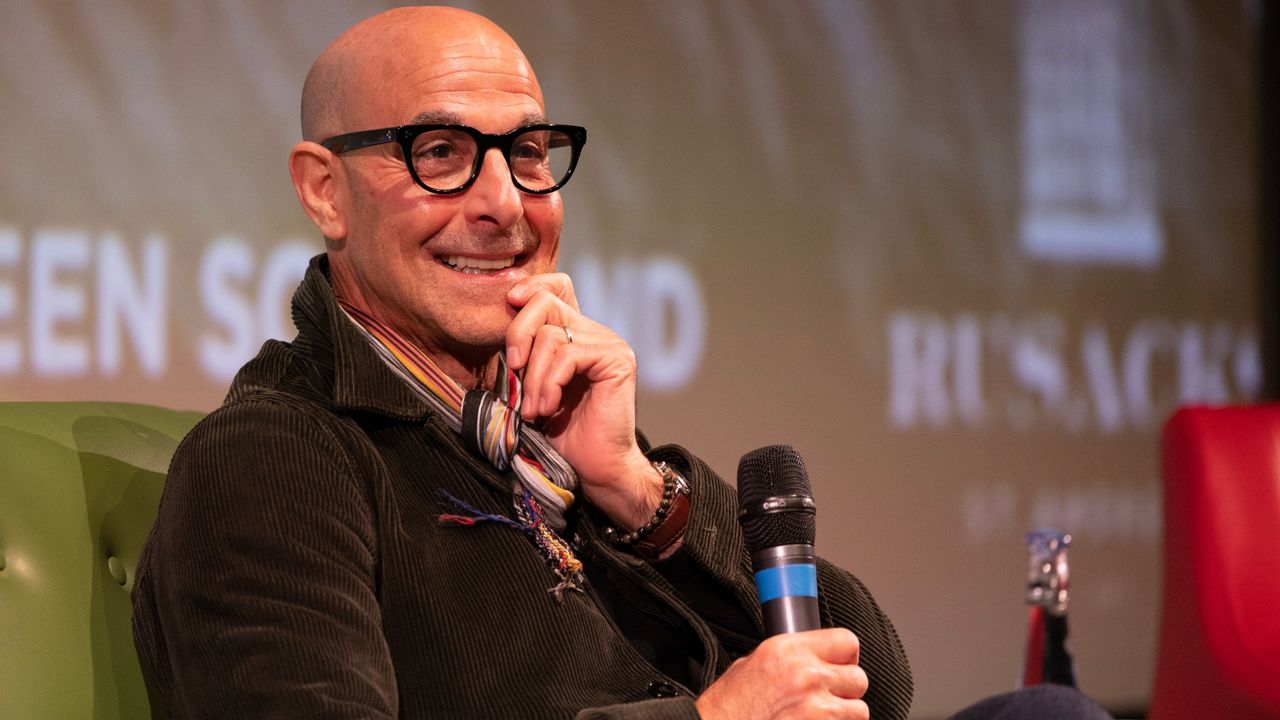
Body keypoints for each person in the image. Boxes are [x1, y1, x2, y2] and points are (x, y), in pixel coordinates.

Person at [131, 6, 913, 719]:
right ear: (325, 190)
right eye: (440, 152)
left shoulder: (543, 431)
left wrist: (641, 494)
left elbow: (875, 682)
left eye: (529, 154)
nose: (505, 203)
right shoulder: (272, 458)